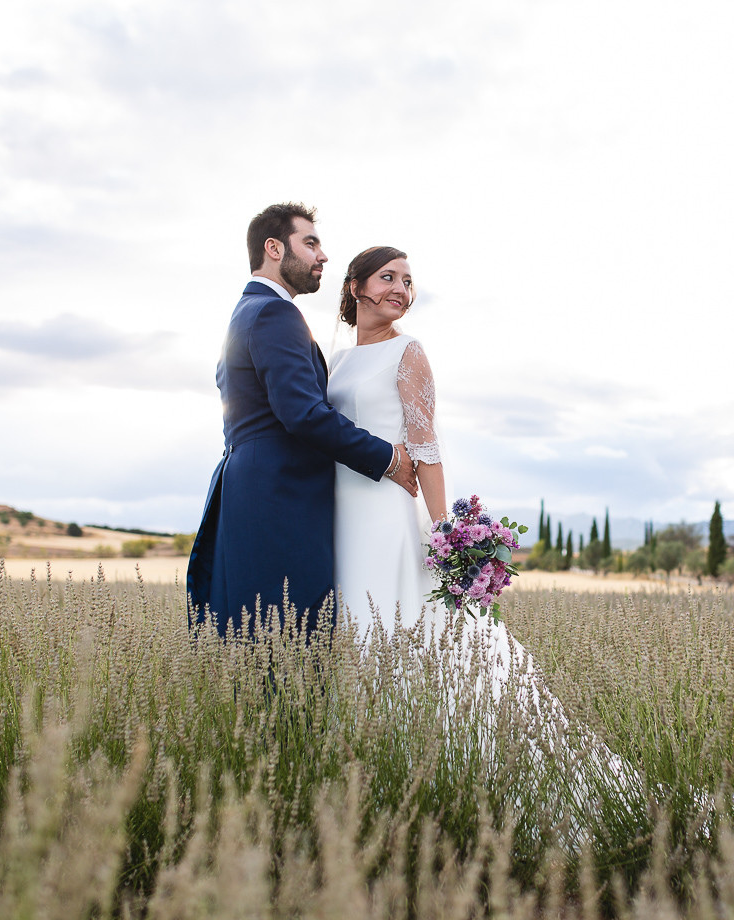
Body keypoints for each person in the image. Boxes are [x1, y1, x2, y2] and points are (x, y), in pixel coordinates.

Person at [327, 246, 636, 802]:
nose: (401, 288)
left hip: (388, 512)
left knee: (398, 625)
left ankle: (442, 762)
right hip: (340, 511)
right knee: (353, 625)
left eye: (408, 280)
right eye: (388, 277)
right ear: (355, 287)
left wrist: (443, 530)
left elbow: (426, 447)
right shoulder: (337, 361)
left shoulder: (409, 352)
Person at [187, 204, 419, 637]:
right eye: (310, 243)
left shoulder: (247, 311)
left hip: (253, 487)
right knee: (286, 639)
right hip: (280, 497)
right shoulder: (275, 313)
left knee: (260, 632)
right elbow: (304, 414)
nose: (322, 256)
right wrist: (387, 457)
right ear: (274, 249)